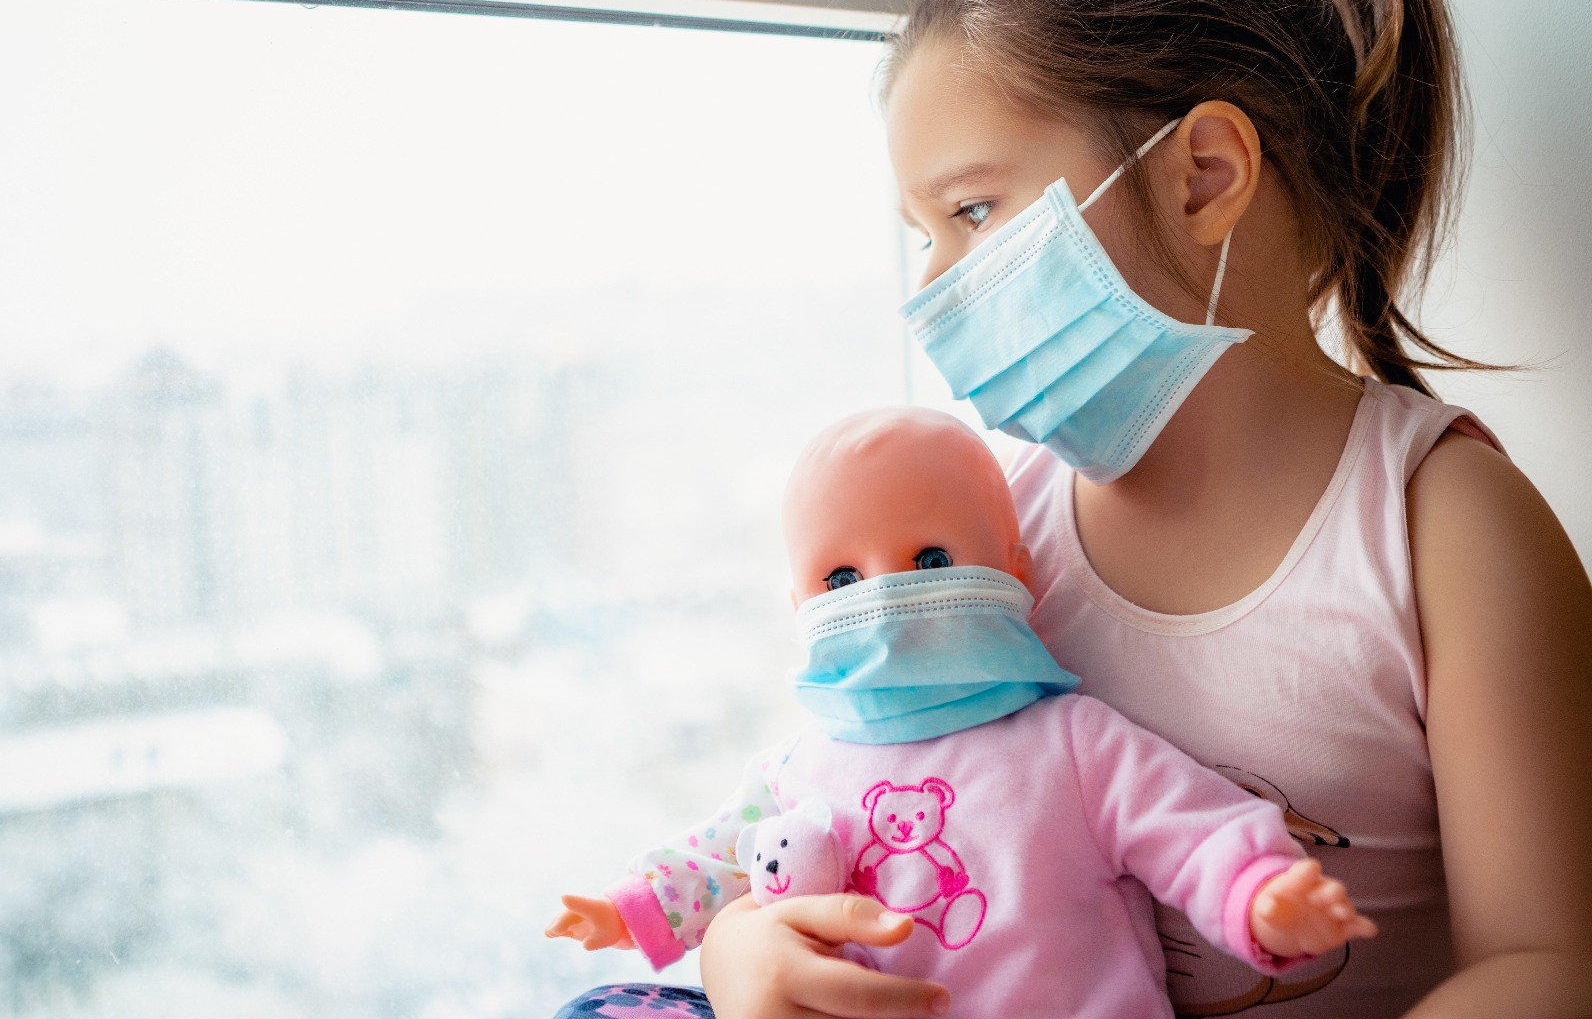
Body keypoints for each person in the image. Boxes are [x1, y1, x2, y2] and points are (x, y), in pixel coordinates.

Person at [557, 0, 1592, 1019]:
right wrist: (741, 950)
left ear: (1204, 176)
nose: (937, 283)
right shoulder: (1002, 524)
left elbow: (1549, 963)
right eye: (922, 234)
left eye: (974, 212)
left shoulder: (1446, 528)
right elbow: (850, 786)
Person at [548, 408, 1376, 1017]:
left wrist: (1259, 893)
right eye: (841, 580)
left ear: (1018, 570)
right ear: (798, 603)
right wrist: (631, 908)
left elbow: (1190, 827)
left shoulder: (1071, 745)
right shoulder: (795, 769)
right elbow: (721, 855)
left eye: (931, 559)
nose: (885, 591)